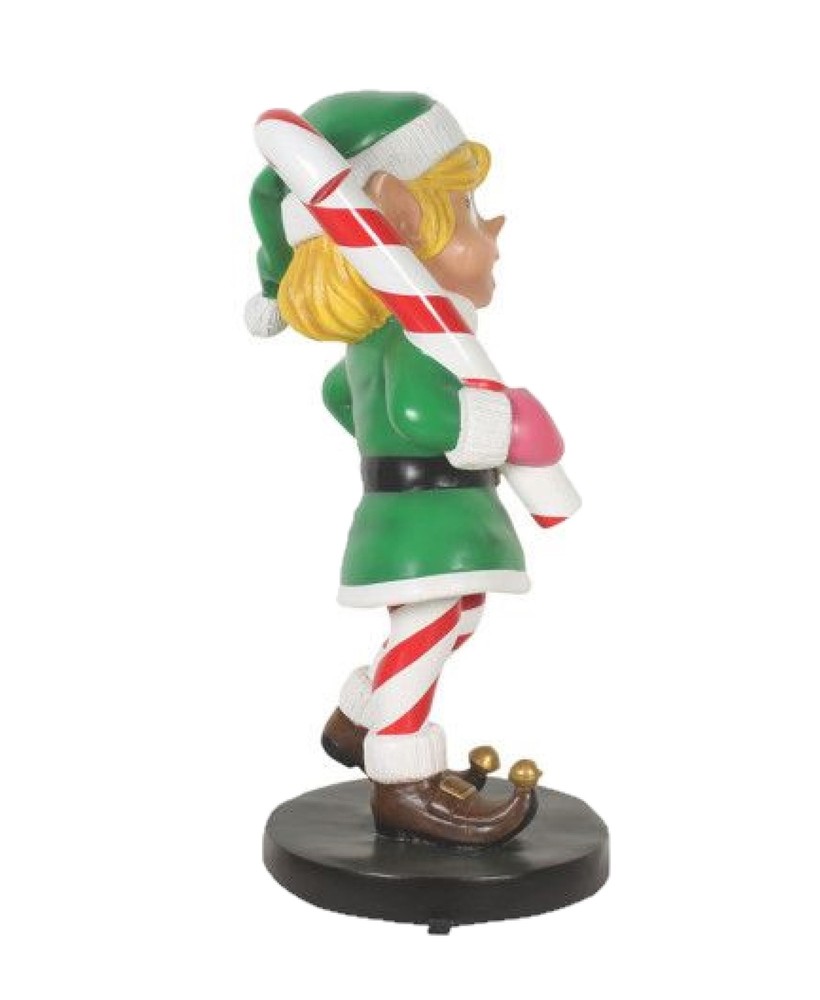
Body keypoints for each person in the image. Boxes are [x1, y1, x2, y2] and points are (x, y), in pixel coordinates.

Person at [247, 91, 547, 846]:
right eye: (470, 211)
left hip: (413, 517)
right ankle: (403, 779)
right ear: (401, 219)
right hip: (428, 524)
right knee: (439, 619)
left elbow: (338, 397)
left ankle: (360, 717)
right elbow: (419, 412)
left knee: (459, 616)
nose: (493, 231)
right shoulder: (418, 339)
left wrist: (376, 442)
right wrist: (504, 423)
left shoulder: (387, 338)